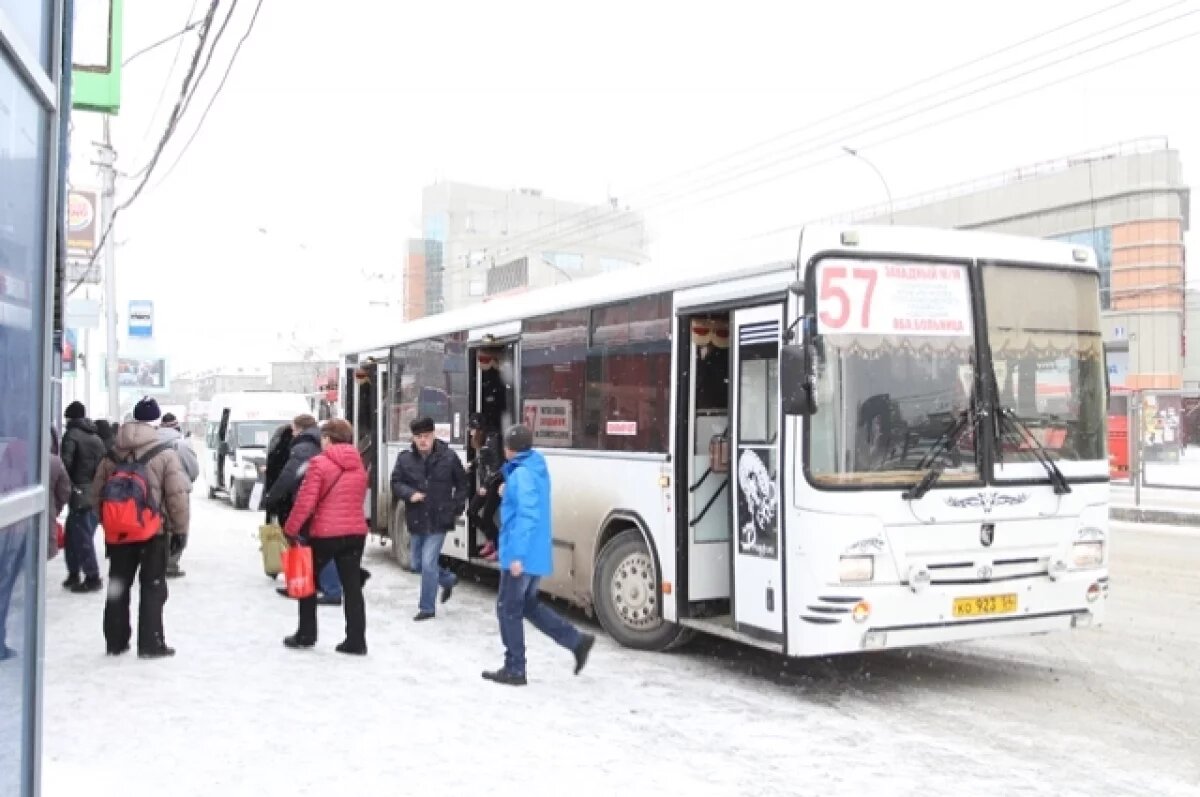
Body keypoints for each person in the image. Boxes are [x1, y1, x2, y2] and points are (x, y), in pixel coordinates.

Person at [483, 424, 594, 686]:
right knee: (528, 606)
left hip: (521, 554)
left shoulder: (521, 475)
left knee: (507, 609)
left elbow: (526, 516)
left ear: (509, 449)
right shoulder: (535, 467)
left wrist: (517, 557)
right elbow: (530, 502)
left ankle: (515, 668)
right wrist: (506, 491)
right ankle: (576, 641)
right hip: (535, 552)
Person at [90, 397, 190, 658]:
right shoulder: (165, 454)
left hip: (119, 534)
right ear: (156, 422)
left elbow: (96, 494)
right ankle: (150, 643)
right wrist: (180, 530)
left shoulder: (112, 453)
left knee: (118, 586)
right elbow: (177, 495)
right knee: (153, 586)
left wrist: (112, 522)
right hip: (152, 532)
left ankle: (116, 640)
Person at [282, 419, 370, 655]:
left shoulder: (319, 464)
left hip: (326, 534)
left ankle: (306, 634)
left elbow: (305, 502)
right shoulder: (359, 464)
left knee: (308, 580)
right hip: (355, 533)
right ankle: (356, 640)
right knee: (352, 588)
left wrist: (290, 529)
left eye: (323, 438)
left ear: (329, 439)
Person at [264, 414, 346, 605]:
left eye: (293, 429)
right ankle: (309, 585)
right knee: (310, 543)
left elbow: (289, 476)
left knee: (303, 542)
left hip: (308, 502)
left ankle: (304, 585)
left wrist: (271, 497)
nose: (292, 433)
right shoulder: (318, 442)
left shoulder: (303, 447)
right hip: (322, 502)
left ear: (299, 429)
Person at [390, 417, 466, 621]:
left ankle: (427, 607)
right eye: (418, 437)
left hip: (439, 518)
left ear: (434, 435)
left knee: (428, 562)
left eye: (426, 436)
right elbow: (395, 483)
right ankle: (448, 579)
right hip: (416, 518)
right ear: (413, 438)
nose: (423, 440)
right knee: (416, 564)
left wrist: (456, 508)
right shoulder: (405, 459)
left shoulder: (448, 457)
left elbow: (462, 484)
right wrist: (409, 494)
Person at [60, 401, 108, 593]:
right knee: (75, 535)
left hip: (79, 493)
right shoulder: (96, 438)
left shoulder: (71, 435)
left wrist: (66, 487)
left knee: (79, 537)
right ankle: (75, 574)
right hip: (94, 492)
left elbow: (65, 465)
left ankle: (91, 576)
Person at [158, 412, 199, 578]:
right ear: (176, 426)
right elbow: (194, 470)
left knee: (160, 526)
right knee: (179, 525)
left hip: (157, 489)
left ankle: (157, 561)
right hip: (179, 491)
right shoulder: (182, 444)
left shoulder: (151, 441)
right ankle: (171, 563)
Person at [466, 414, 504, 560]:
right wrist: (473, 464)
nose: (470, 432)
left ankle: (499, 546)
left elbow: (496, 466)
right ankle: (490, 540)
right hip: (486, 483)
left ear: (479, 429)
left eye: (472, 429)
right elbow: (484, 456)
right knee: (471, 512)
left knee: (487, 516)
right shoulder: (486, 440)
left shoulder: (493, 440)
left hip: (495, 483)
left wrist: (486, 485)